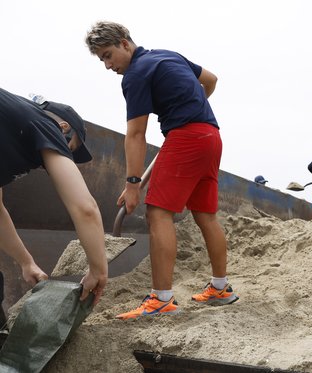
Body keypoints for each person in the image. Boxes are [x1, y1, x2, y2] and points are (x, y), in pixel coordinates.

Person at [85, 21, 238, 319]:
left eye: (107, 55)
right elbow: (211, 80)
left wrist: (132, 184)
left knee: (157, 212)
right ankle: (221, 287)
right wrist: (187, 105)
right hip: (210, 135)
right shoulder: (169, 55)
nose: (107, 65)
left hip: (187, 137)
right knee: (205, 215)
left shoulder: (135, 75)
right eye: (101, 59)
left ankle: (161, 300)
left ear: (125, 43)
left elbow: (136, 134)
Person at [0, 88, 108, 305]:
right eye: (69, 147)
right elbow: (85, 208)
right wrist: (98, 271)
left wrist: (26, 262)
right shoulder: (45, 124)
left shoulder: (11, 129)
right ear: (64, 128)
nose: (64, 154)